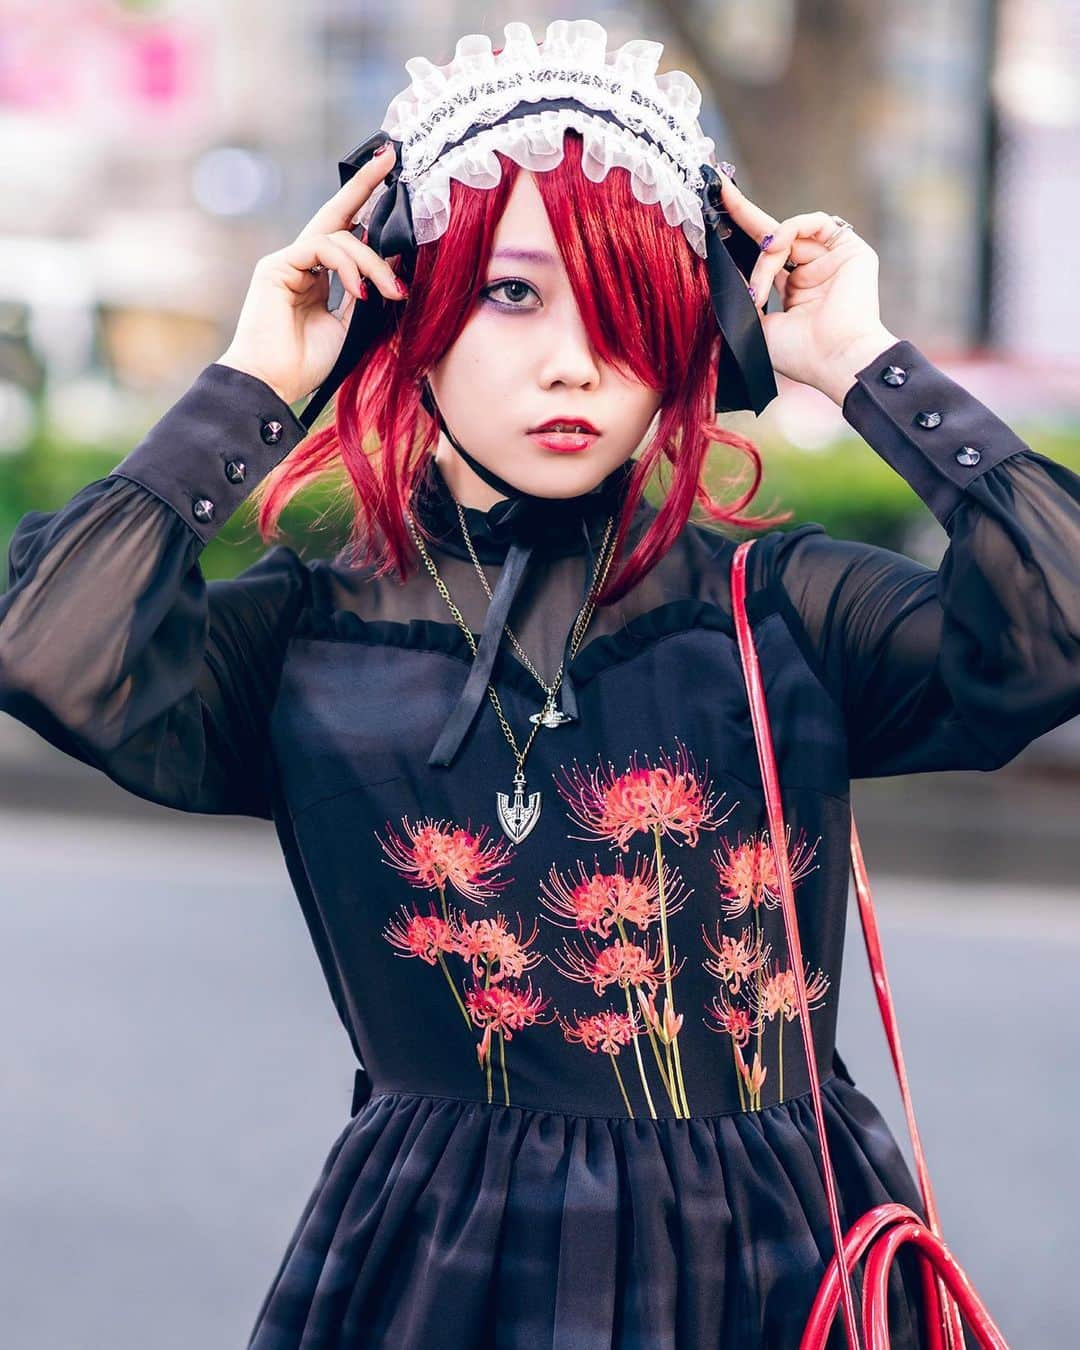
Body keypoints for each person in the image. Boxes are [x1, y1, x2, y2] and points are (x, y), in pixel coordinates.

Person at [2, 17, 1077, 1349]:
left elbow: (1061, 618)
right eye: (514, 294)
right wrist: (253, 385)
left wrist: (865, 367)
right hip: (443, 1276)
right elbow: (49, 650)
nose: (573, 361)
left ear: (695, 336)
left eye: (625, 313)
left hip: (782, 1271)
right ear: (415, 307)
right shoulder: (309, 636)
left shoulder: (783, 608)